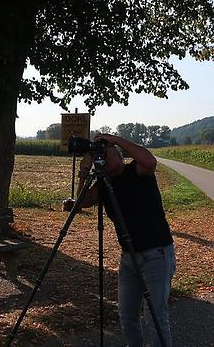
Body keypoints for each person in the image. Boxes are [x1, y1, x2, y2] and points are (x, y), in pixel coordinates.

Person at [77, 133, 176, 347]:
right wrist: (83, 173)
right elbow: (81, 203)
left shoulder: (137, 171)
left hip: (156, 253)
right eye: (99, 155)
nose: (103, 157)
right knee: (127, 315)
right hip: (129, 258)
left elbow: (150, 161)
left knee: (155, 317)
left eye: (108, 153)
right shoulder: (104, 184)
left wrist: (116, 139)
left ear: (120, 155)